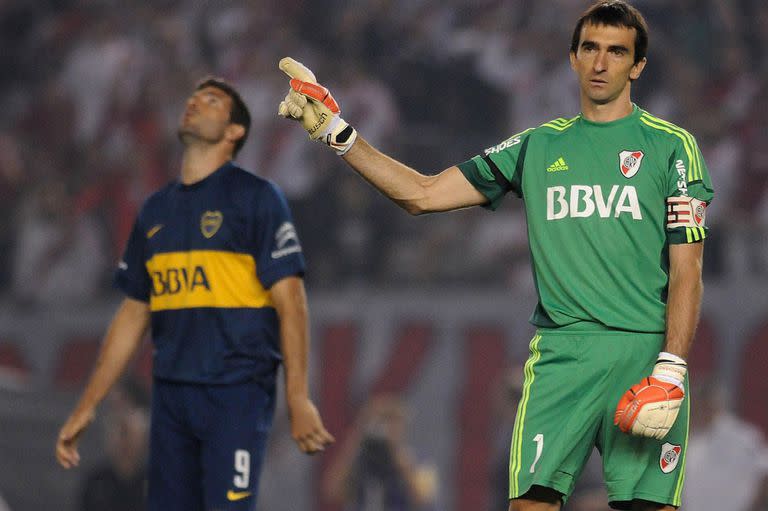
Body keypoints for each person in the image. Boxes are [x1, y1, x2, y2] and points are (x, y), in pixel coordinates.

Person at [278, 2, 714, 510]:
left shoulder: (671, 148)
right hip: (562, 357)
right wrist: (337, 132)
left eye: (617, 52)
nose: (600, 63)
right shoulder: (534, 147)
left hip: (643, 357)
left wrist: (671, 368)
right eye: (590, 49)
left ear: (637, 66)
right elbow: (422, 193)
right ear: (572, 58)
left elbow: (689, 268)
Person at [56, 76, 334, 511]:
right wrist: (91, 401)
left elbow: (290, 304)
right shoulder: (158, 212)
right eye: (193, 100)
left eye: (210, 102)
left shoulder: (257, 203)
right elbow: (133, 314)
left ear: (233, 133)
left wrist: (296, 398)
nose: (193, 106)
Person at [323, 394, 438, 511]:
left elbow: (423, 497)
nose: (386, 429)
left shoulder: (418, 460)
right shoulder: (362, 460)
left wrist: (396, 454)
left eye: (392, 422)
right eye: (382, 422)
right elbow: (333, 490)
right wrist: (358, 436)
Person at [78, 378, 150, 511]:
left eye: (128, 412)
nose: (121, 430)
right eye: (114, 414)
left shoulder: (161, 486)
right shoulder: (95, 485)